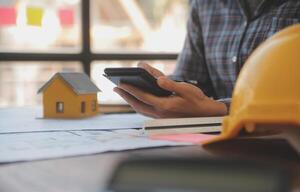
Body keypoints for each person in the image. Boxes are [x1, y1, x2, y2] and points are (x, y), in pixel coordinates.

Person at [114, 0, 300, 118]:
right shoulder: (205, 4)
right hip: (217, 146)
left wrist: (222, 108)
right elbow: (194, 80)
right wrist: (165, 87)